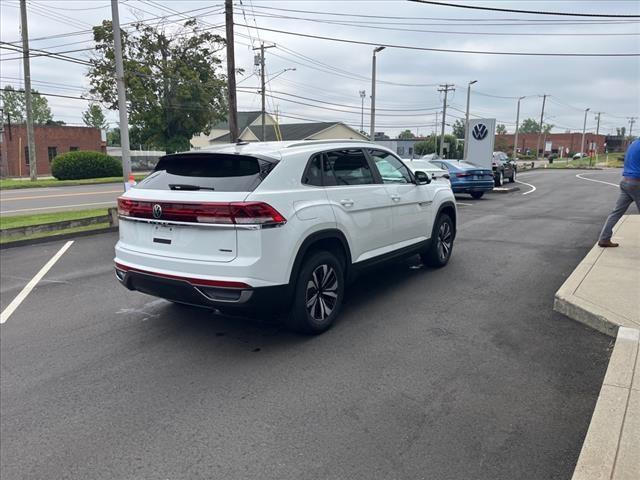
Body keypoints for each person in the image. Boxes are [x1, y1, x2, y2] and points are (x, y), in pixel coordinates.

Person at [598, 138, 640, 247]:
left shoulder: (634, 144)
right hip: (636, 183)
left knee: (616, 213)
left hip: (625, 182)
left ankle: (604, 239)